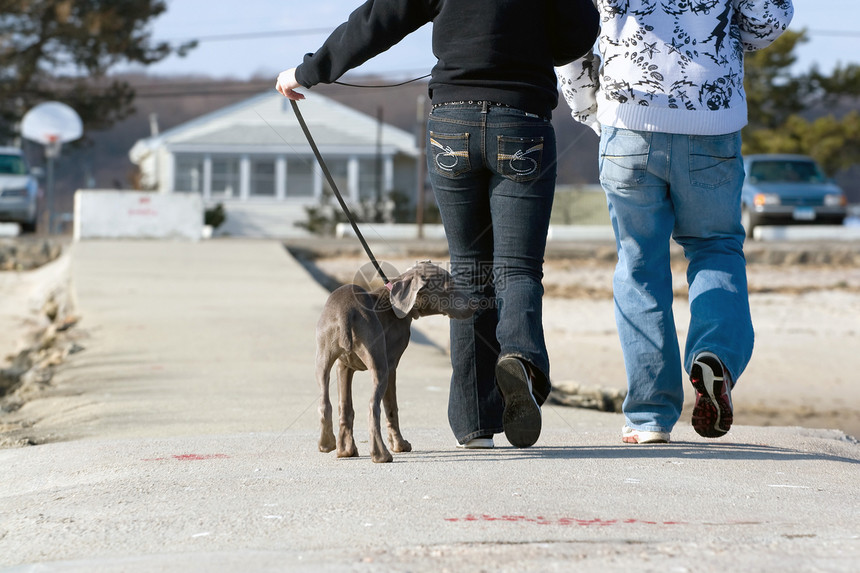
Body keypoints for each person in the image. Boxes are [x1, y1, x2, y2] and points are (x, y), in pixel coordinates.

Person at [276, 0, 600, 449]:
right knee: (518, 268)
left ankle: (474, 425)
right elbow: (577, 37)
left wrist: (309, 70)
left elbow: (379, 19)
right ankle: (520, 359)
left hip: (453, 125)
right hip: (522, 120)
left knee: (467, 270)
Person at [556, 0, 794, 444]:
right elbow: (766, 24)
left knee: (639, 263)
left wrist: (591, 111)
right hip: (712, 123)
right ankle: (715, 355)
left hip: (628, 120)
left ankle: (649, 417)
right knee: (716, 247)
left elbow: (569, 34)